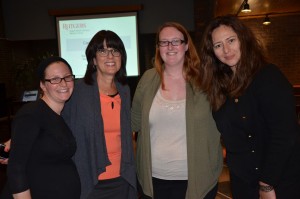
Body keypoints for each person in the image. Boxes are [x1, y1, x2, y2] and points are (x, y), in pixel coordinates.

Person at [199, 15, 300, 199]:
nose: (226, 50)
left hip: (277, 181)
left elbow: (285, 136)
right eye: (218, 45)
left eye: (231, 40)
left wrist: (267, 185)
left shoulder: (268, 77)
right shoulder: (220, 86)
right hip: (242, 183)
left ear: (243, 40)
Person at [131, 22, 223, 199]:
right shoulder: (148, 79)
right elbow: (133, 121)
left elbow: (225, 120)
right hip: (153, 179)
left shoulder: (206, 80)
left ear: (186, 45)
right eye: (164, 42)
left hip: (197, 179)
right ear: (158, 47)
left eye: (176, 41)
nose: (170, 47)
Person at [62, 30, 137, 199]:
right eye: (102, 51)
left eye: (115, 50)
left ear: (121, 58)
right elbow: (52, 118)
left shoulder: (124, 90)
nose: (110, 56)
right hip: (90, 179)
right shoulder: (77, 90)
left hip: (122, 177)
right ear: (94, 60)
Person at [6, 56, 80, 199]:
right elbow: (16, 169)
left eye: (67, 77)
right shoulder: (31, 113)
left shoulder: (59, 115)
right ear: (42, 85)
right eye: (54, 79)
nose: (63, 83)